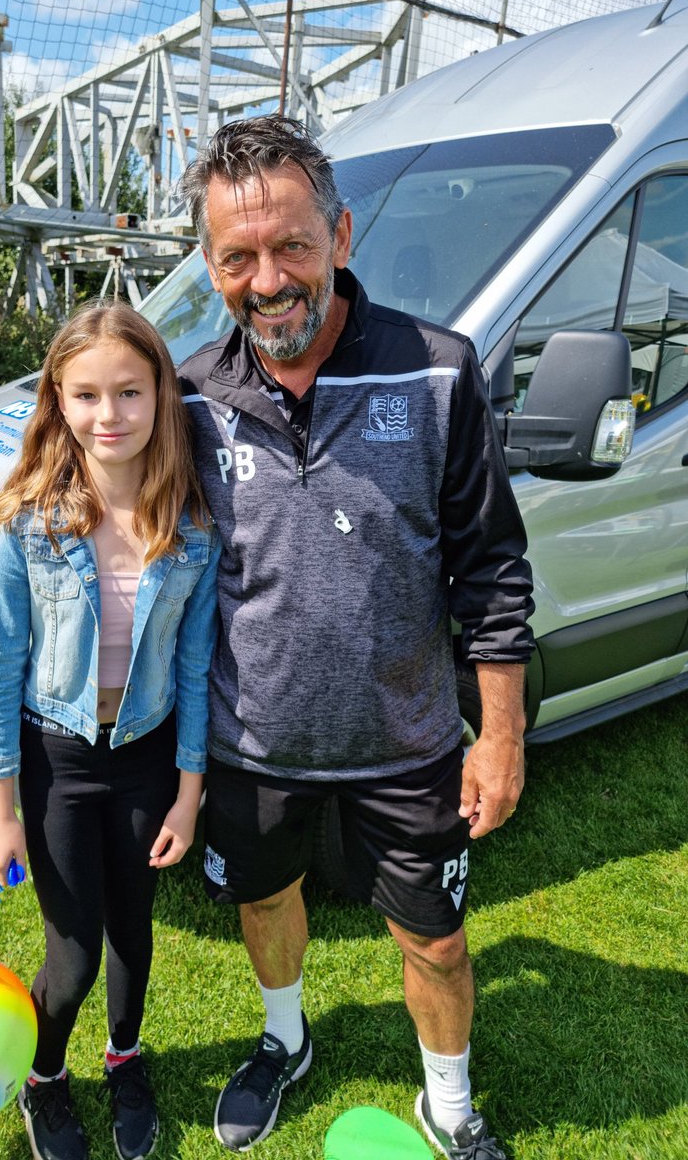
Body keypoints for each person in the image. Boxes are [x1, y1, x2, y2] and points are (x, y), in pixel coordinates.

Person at [177, 115, 535, 1159]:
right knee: (264, 901)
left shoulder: (438, 371)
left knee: (438, 940)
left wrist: (500, 735)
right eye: (237, 258)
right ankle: (284, 1041)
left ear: (339, 236)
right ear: (210, 265)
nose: (268, 281)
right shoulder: (189, 393)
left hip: (408, 742)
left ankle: (449, 1108)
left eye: (292, 246)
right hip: (252, 743)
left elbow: (492, 569)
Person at [0, 300, 221, 1160]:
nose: (108, 415)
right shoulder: (30, 525)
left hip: (146, 760)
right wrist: (1, 810)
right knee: (73, 955)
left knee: (133, 935)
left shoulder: (191, 530)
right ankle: (44, 1078)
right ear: (58, 400)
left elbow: (194, 668)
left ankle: (124, 1058)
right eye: (85, 395)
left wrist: (188, 795)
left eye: (129, 392)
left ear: (161, 397)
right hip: (58, 761)